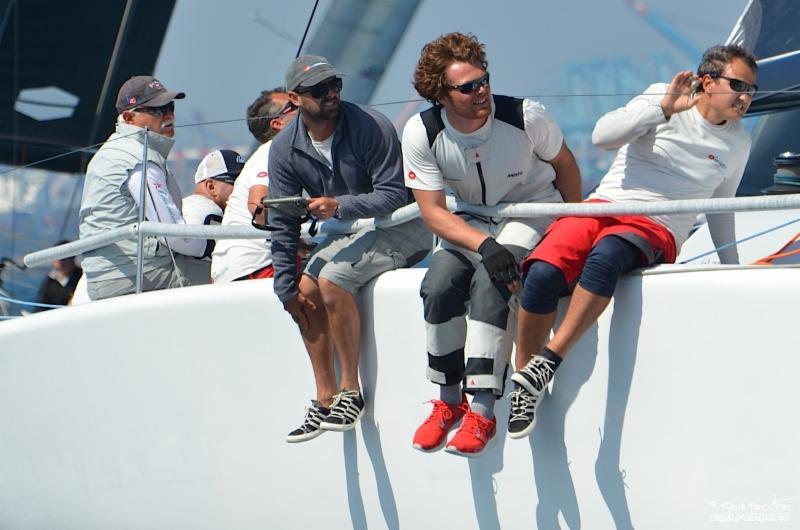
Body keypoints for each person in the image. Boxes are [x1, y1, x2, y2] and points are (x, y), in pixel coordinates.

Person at [510, 44, 758, 438]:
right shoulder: (663, 95)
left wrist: (733, 269)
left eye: (751, 90)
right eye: (738, 85)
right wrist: (661, 109)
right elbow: (602, 136)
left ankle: (550, 361)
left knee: (607, 255)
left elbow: (721, 208)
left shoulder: (738, 142)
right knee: (541, 273)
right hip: (604, 205)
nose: (746, 97)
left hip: (658, 225)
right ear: (708, 82)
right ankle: (525, 384)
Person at [402, 32, 582, 457]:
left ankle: (482, 410)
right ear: (441, 94)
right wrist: (484, 243)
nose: (481, 92)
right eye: (467, 87)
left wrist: (574, 224)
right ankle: (448, 403)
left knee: (492, 281)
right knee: (439, 284)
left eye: (484, 81)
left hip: (530, 209)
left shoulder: (525, 116)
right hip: (469, 217)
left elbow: (566, 165)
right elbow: (432, 211)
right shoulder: (422, 132)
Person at [268, 55, 431, 443]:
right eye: (319, 90)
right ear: (295, 98)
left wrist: (338, 206)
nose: (331, 94)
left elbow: (393, 196)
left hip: (403, 227)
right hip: (353, 233)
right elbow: (282, 220)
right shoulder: (283, 149)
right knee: (304, 291)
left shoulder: (370, 125)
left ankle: (350, 392)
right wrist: (284, 287)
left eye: (335, 85)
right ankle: (324, 398)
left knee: (333, 280)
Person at [79, 76, 206, 300]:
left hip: (108, 276)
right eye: (157, 110)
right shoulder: (138, 158)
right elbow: (172, 233)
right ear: (129, 117)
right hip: (135, 276)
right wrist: (210, 245)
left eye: (170, 107)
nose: (169, 116)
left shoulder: (114, 151)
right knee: (224, 274)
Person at [211, 89, 297, 283]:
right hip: (254, 266)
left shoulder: (276, 152)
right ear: (277, 124)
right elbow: (259, 205)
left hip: (241, 266)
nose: (300, 105)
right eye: (292, 105)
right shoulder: (273, 150)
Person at [183, 148, 244, 253]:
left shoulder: (184, 206)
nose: (245, 188)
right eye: (237, 182)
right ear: (211, 187)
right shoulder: (208, 210)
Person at [33, 245, 82, 311]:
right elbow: (39, 307)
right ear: (54, 261)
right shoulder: (49, 281)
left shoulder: (82, 277)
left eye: (68, 257)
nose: (64, 262)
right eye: (61, 258)